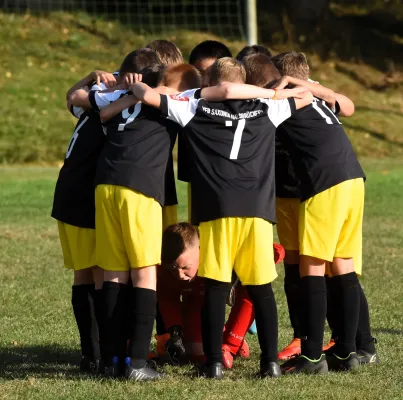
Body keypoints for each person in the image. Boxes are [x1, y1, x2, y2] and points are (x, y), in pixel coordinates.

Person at [130, 57, 313, 378]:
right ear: (245, 82)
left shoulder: (193, 105)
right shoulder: (268, 109)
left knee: (216, 286)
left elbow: (142, 93)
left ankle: (213, 363)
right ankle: (270, 363)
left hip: (215, 208)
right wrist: (268, 93)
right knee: (261, 288)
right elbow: (307, 96)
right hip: (257, 209)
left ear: (209, 83)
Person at [270, 51, 372, 374]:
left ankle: (312, 357)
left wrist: (277, 88)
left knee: (311, 268)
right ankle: (346, 352)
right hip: (353, 178)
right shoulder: (315, 93)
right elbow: (350, 106)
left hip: (324, 181)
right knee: (342, 265)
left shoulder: (282, 96)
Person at [52, 68, 118, 373]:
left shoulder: (93, 103)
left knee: (84, 275)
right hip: (86, 193)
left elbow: (70, 98)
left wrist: (89, 78)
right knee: (100, 275)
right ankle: (104, 354)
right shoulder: (114, 105)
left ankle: (90, 355)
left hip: (67, 191)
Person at [157, 222, 285, 368]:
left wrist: (271, 252)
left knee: (254, 288)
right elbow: (168, 299)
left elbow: (276, 250)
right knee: (196, 352)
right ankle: (224, 335)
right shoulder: (168, 270)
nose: (180, 275)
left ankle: (232, 341)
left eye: (185, 267)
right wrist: (175, 331)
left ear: (200, 250)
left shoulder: (217, 251)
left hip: (239, 296)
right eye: (174, 269)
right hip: (197, 300)